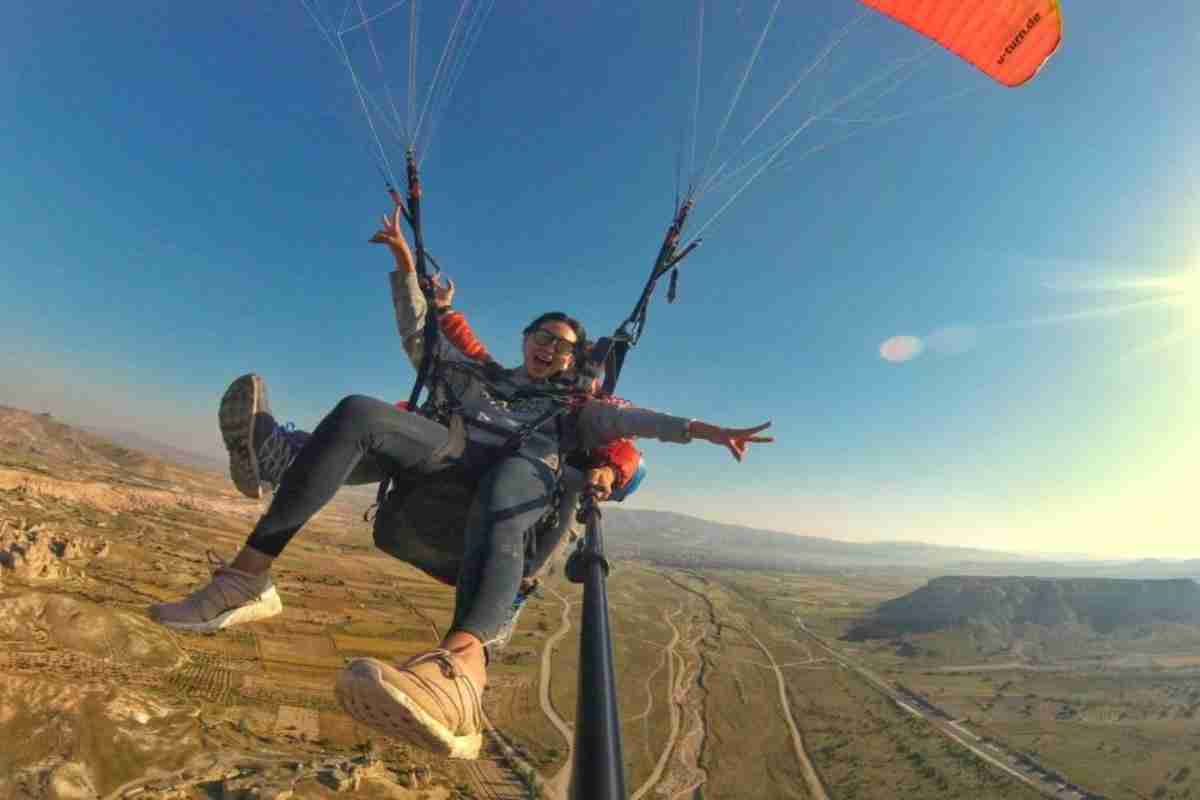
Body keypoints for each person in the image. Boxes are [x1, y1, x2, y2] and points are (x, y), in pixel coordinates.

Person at [149, 204, 773, 760]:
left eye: (563, 346)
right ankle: (247, 577)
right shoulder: (477, 377)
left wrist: (705, 430)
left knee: (513, 475)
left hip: (513, 491)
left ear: (575, 361)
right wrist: (401, 264)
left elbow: (636, 422)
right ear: (524, 340)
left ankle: (463, 673)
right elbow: (419, 336)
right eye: (542, 338)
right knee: (363, 409)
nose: (550, 349)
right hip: (443, 466)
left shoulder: (577, 411)